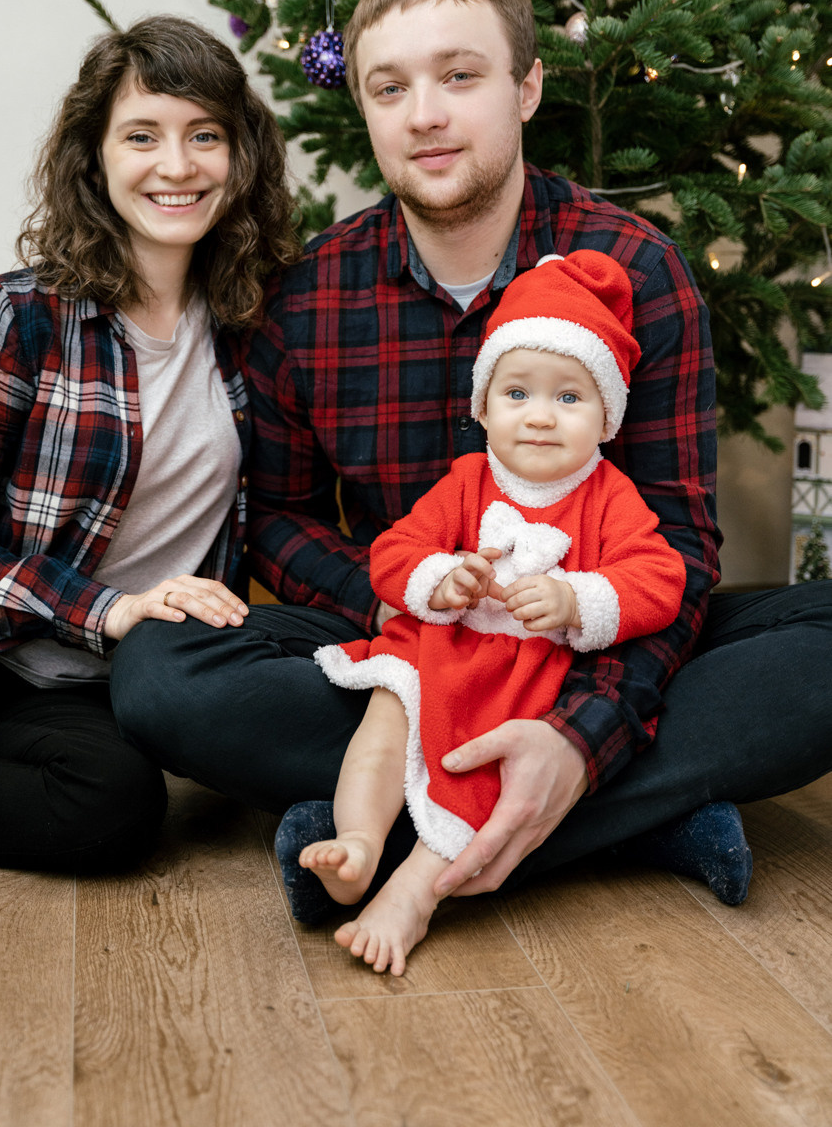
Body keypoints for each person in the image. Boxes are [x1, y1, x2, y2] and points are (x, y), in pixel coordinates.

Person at [110, 0, 832, 935]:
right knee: (159, 670)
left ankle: (404, 831)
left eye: (459, 75)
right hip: (405, 655)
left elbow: (678, 546)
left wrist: (579, 733)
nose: (424, 115)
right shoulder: (309, 294)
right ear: (363, 105)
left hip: (587, 640)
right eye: (390, 86)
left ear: (525, 85)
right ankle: (636, 816)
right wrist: (412, 593)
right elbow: (273, 519)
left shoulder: (635, 267)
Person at [0, 15, 300, 904]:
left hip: (85, 693)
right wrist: (109, 608)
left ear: (241, 157)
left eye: (206, 136)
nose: (178, 166)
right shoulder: (17, 316)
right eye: (143, 136)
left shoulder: (254, 326)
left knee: (116, 812)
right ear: (96, 159)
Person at [287, 250, 687, 975]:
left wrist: (577, 599)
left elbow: (661, 577)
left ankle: (413, 895)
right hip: (436, 647)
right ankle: (358, 843)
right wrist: (439, 578)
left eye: (570, 398)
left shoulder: (610, 496)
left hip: (521, 677)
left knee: (479, 775)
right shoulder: (468, 479)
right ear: (482, 406)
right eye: (518, 394)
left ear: (607, 419)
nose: (539, 416)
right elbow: (394, 550)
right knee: (385, 718)